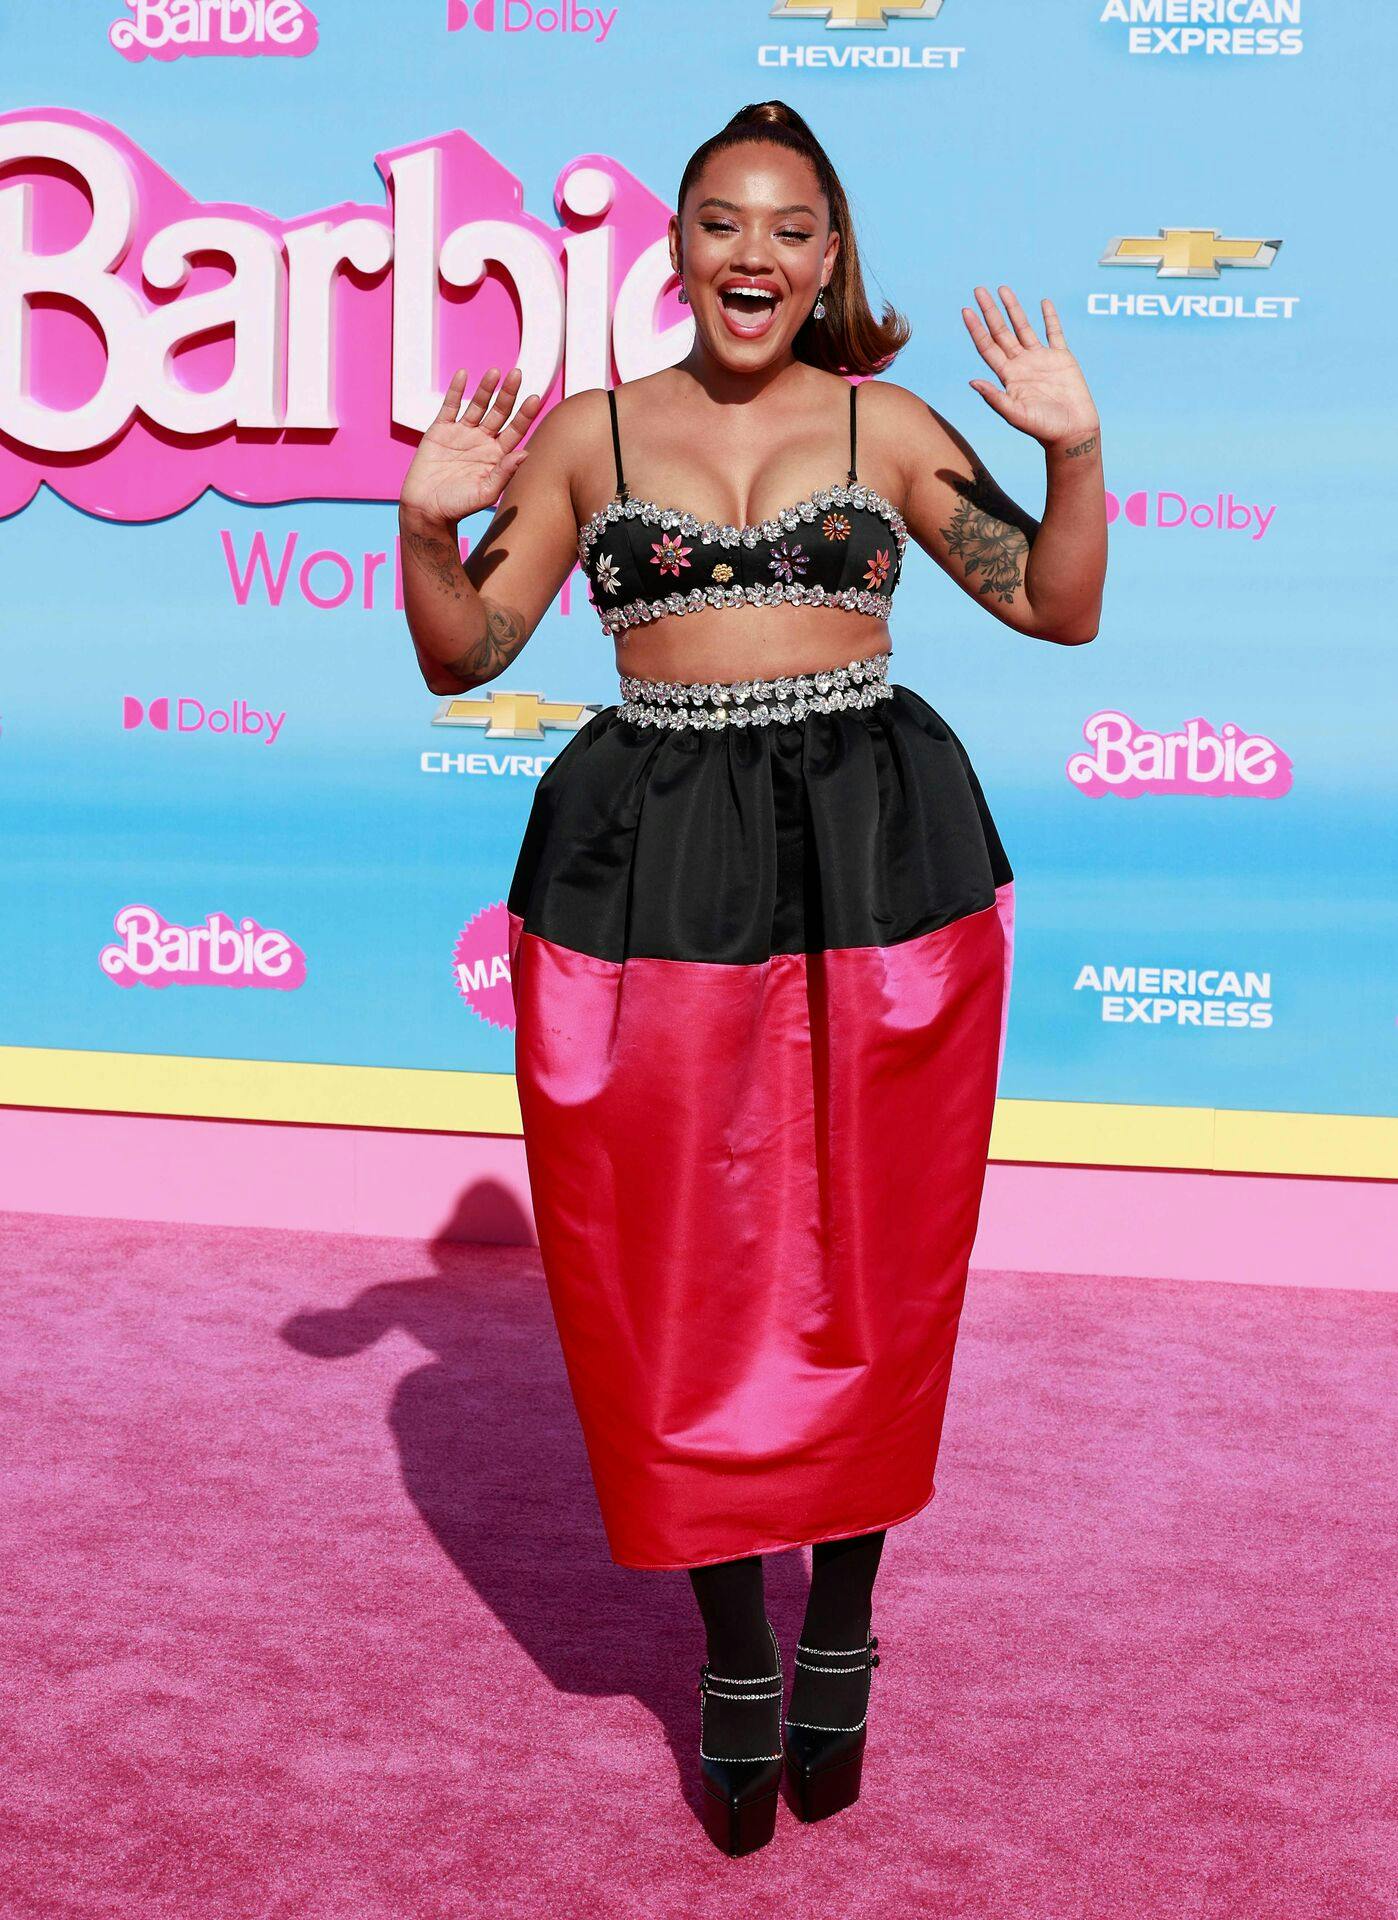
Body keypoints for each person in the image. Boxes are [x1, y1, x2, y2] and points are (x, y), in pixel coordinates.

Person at [398, 99, 1106, 1857]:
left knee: (871, 1241)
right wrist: (423, 528)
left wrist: (1078, 457)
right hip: (653, 859)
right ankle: (729, 1656)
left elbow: (1058, 611)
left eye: (792, 229)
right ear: (678, 245)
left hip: (875, 847)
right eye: (723, 221)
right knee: (676, 1263)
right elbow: (466, 648)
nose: (755, 257)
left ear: (831, 256)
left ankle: (839, 1627)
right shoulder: (586, 436)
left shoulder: (886, 419)